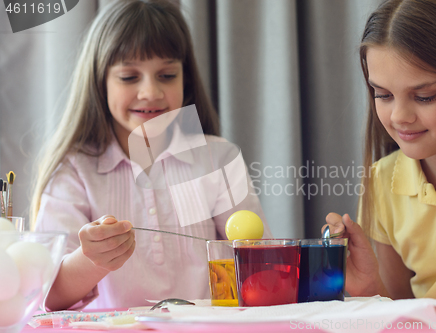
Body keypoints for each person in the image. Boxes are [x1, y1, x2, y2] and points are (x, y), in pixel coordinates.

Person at [32, 0, 272, 311]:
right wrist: (92, 260)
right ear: (99, 81)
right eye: (129, 77)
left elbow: (259, 270)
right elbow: (48, 295)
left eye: (167, 75)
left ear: (186, 79)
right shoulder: (74, 171)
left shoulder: (218, 158)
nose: (151, 92)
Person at [324, 0, 436, 311]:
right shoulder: (382, 180)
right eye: (383, 94)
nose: (400, 117)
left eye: (424, 96)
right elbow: (404, 314)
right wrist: (369, 287)